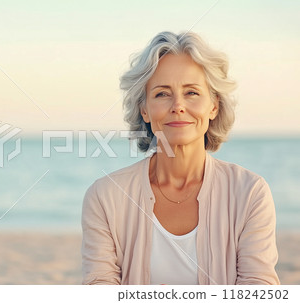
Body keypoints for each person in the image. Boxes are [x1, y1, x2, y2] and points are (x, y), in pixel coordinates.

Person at [81, 31, 280, 285]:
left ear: (213, 106)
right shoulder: (105, 197)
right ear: (144, 109)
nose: (178, 105)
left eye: (192, 93)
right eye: (162, 94)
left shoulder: (250, 194)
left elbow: (258, 288)